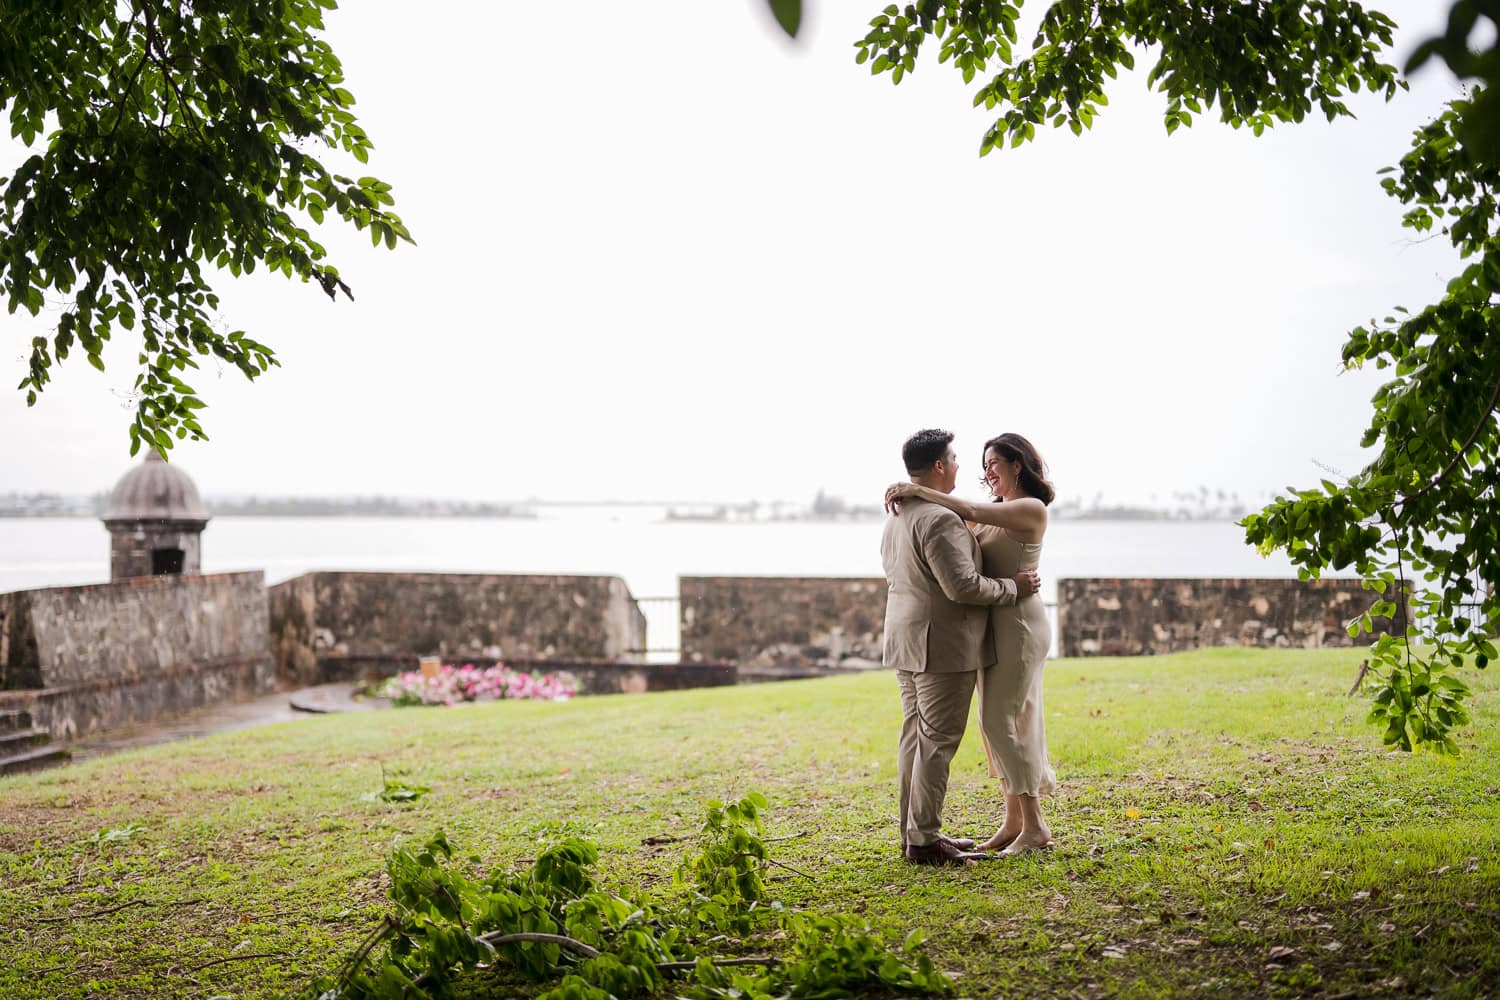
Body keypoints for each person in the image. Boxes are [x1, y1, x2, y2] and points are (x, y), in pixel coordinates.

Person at [885, 432, 1057, 856]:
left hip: (1017, 624)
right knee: (992, 725)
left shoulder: (1029, 508)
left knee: (1002, 723)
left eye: (994, 462)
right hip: (986, 627)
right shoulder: (969, 514)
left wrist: (914, 489)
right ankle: (1012, 821)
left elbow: (964, 511)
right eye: (978, 462)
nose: (983, 471)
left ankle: (1033, 826)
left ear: (1018, 465)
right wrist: (917, 494)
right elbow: (954, 557)